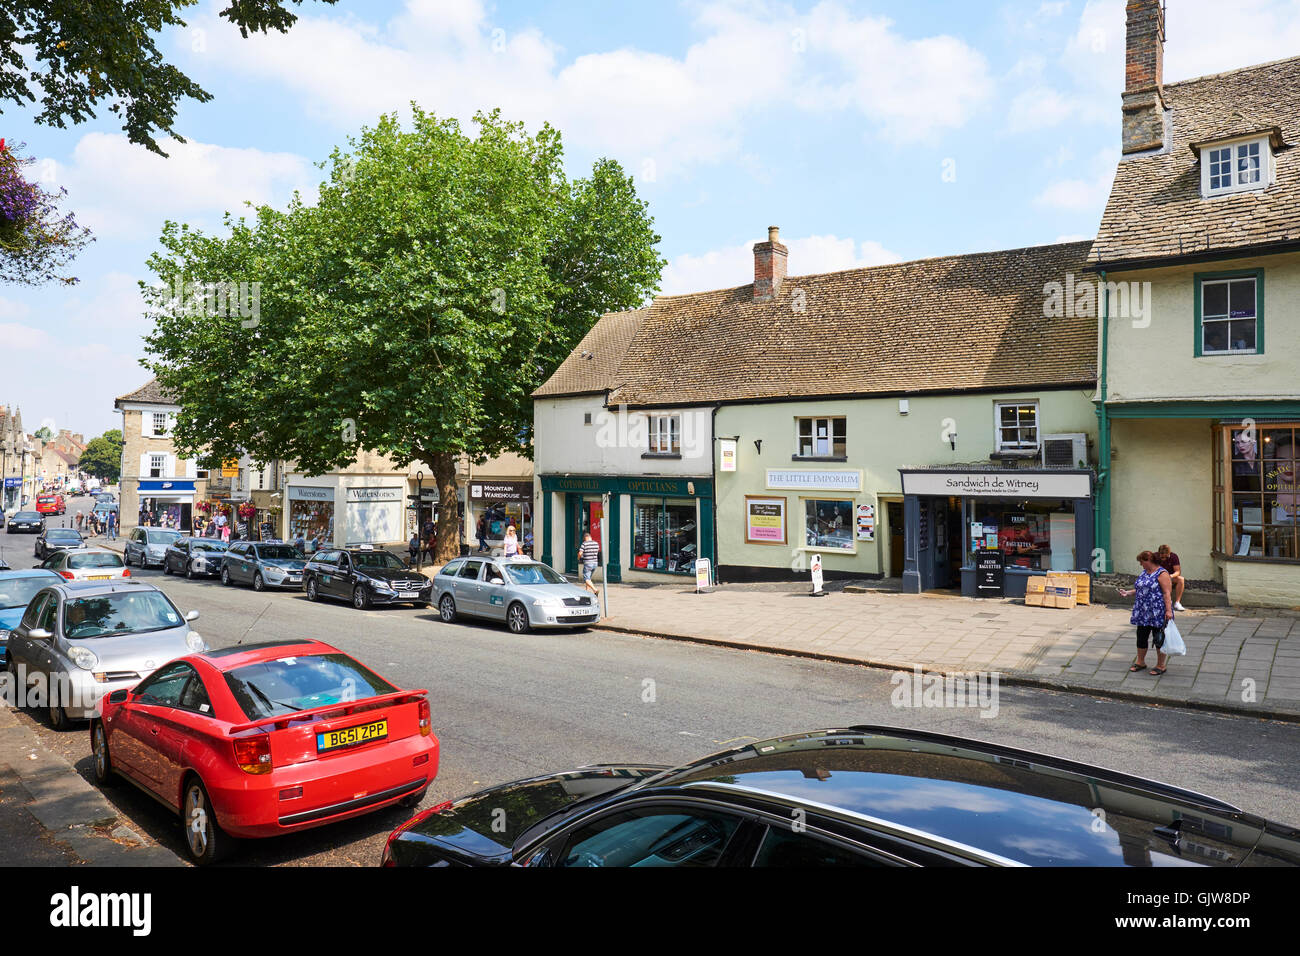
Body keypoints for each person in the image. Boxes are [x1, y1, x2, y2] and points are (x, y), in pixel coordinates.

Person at [1118, 550, 1173, 676]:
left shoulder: (1162, 573)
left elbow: (1167, 593)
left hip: (1157, 611)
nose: (1140, 564)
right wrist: (1128, 593)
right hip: (1143, 611)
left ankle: (1161, 665)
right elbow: (1141, 589)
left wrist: (1168, 610)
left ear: (1149, 561)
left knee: (1158, 638)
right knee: (1141, 636)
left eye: (1142, 562)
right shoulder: (1145, 572)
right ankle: (1140, 662)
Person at [1155, 544, 1187, 612]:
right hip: (1157, 577)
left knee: (1181, 579)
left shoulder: (1174, 556)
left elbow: (1177, 571)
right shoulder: (1154, 556)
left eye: (1165, 557)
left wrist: (1170, 576)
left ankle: (1177, 603)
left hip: (1169, 577)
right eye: (1162, 557)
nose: (1163, 559)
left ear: (1169, 553)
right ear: (1159, 553)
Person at [577, 532, 600, 599]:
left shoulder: (584, 544)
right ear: (590, 537)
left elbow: (580, 553)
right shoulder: (596, 543)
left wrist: (578, 558)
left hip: (588, 563)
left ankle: (595, 590)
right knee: (589, 578)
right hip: (595, 563)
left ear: (585, 538)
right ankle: (587, 592)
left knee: (586, 578)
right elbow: (597, 552)